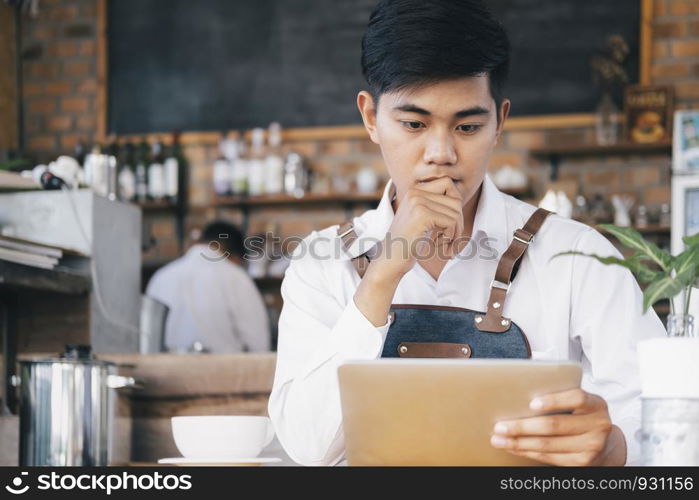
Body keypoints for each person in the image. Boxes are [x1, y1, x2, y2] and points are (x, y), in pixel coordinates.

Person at [268, 0, 665, 466]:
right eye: (414, 124)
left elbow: (666, 414)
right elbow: (307, 448)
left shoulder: (577, 255)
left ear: (501, 121)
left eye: (468, 126)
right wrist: (382, 276)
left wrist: (615, 445)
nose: (440, 152)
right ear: (371, 118)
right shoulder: (322, 263)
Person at [146, 220, 270, 353]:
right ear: (234, 255)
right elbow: (258, 341)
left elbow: (148, 335)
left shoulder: (161, 277)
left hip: (162, 369)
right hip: (222, 370)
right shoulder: (235, 277)